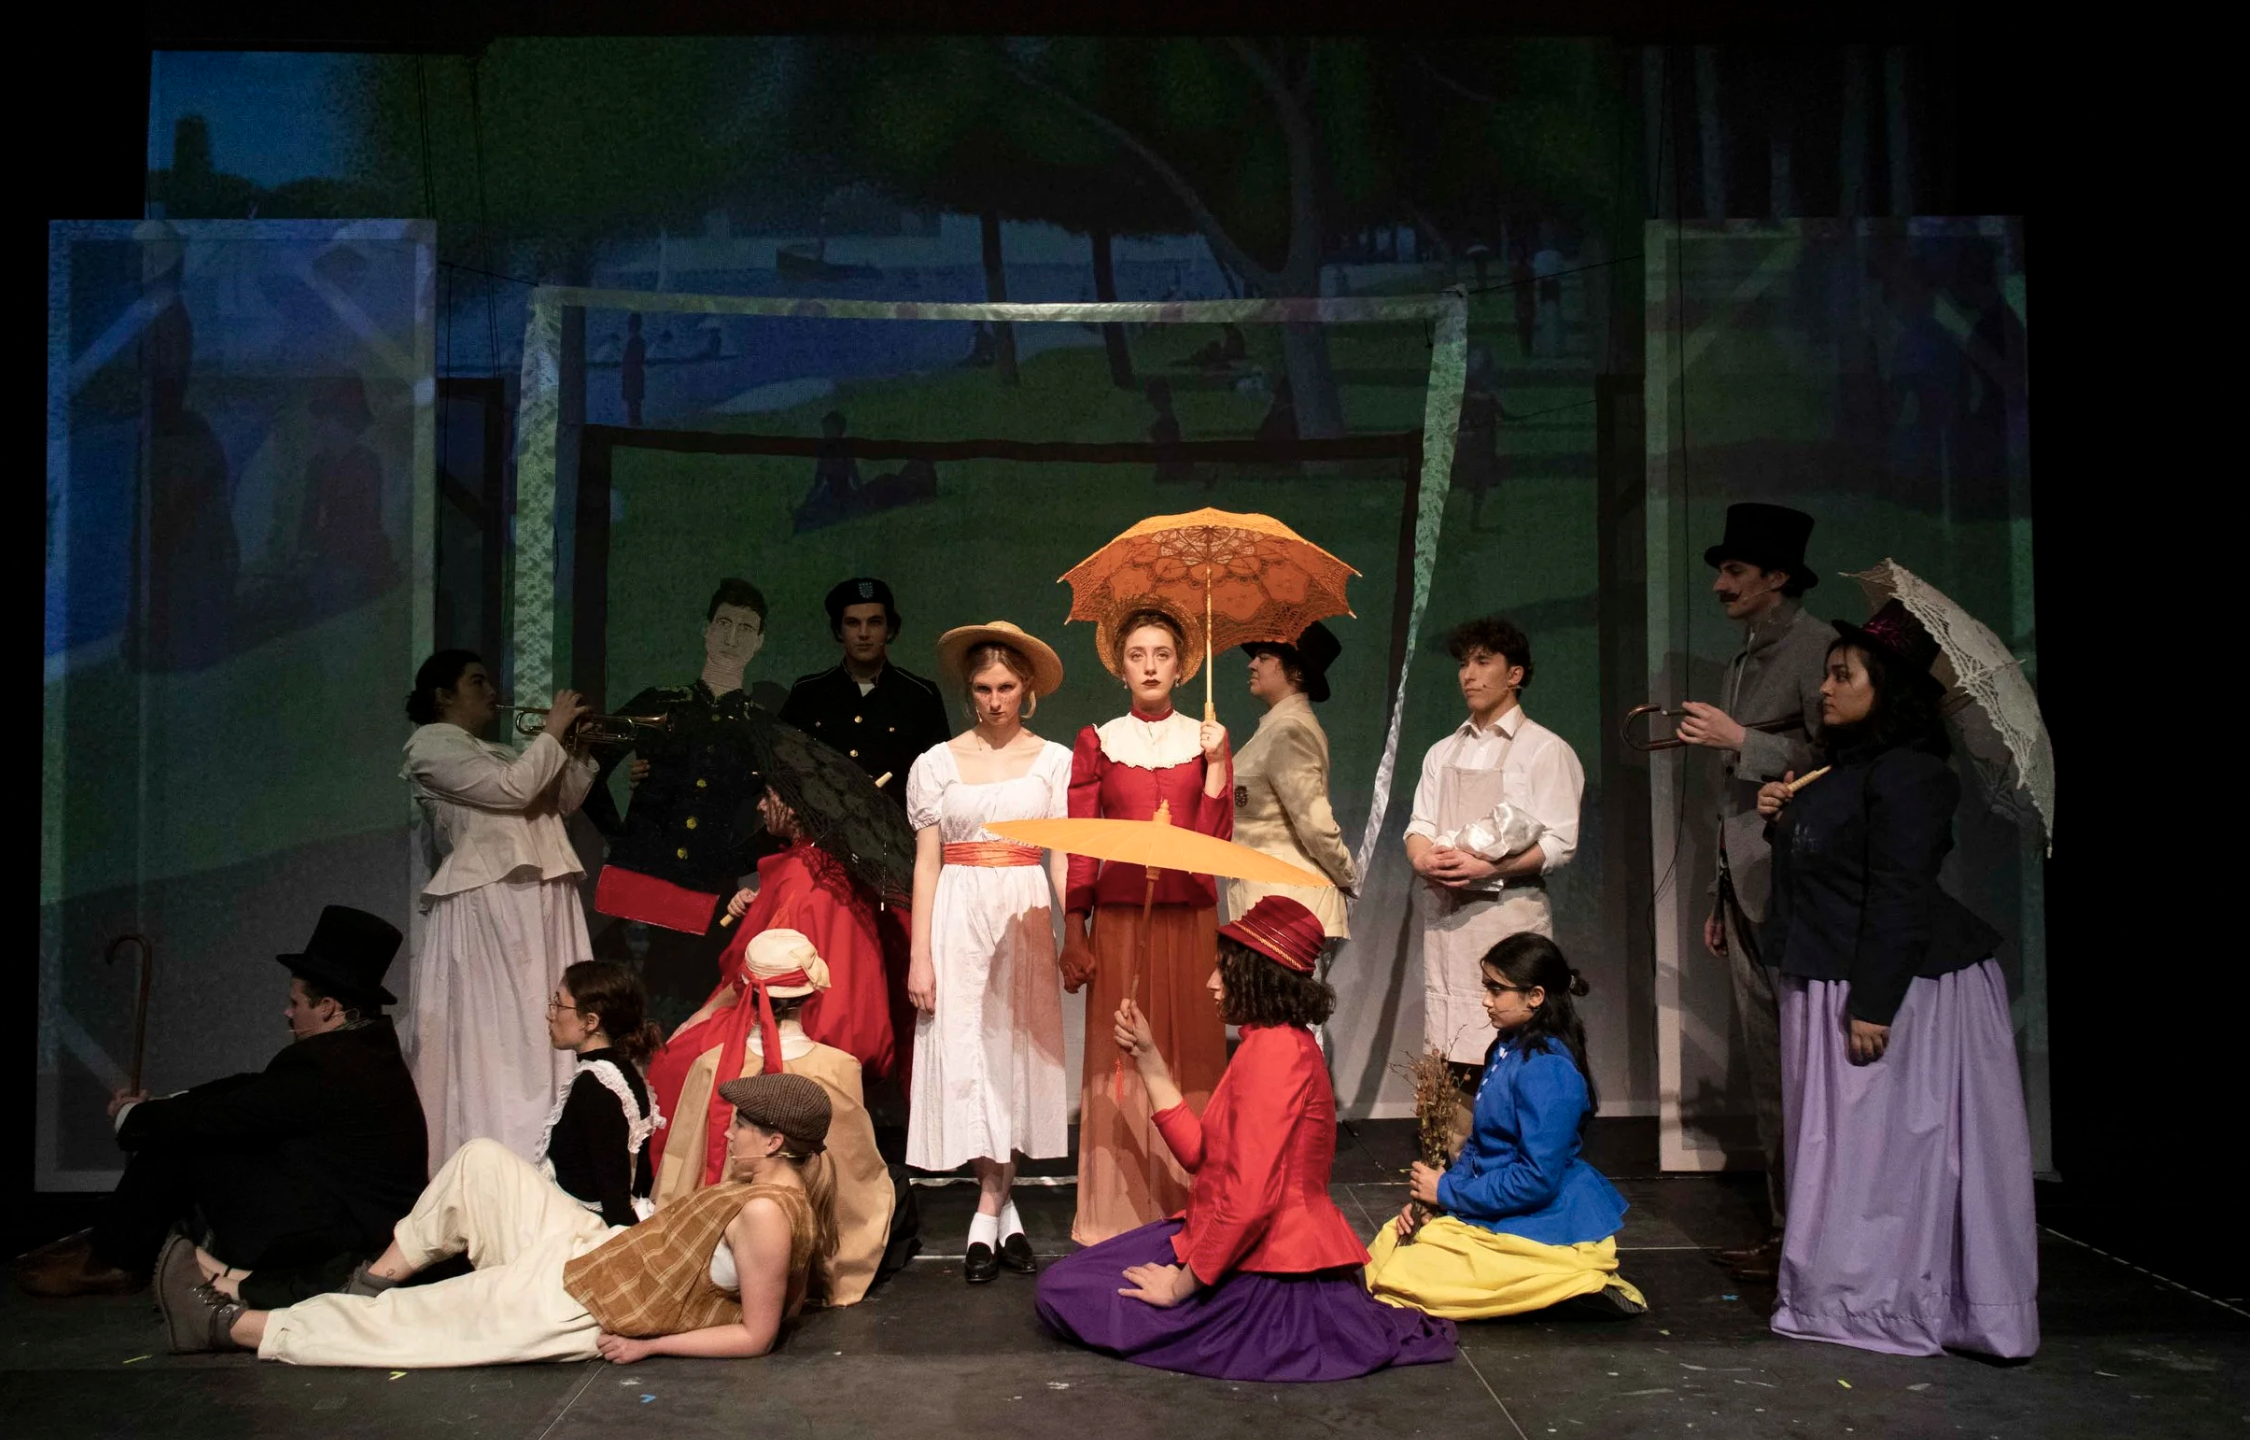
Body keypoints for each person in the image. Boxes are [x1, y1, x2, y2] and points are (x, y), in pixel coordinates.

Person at [1754, 600, 2037, 1359]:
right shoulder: (1839, 769)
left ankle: (1890, 1302)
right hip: (1831, 975)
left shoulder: (1912, 775)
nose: (1824, 687)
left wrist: (1874, 1004)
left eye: (1843, 675)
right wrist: (1780, 814)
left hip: (1895, 988)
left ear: (1890, 690)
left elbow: (1900, 892)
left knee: (1890, 1153)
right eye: (1826, 673)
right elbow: (1830, 866)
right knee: (1846, 1150)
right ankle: (1846, 1296)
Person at [1036, 896, 1456, 1381]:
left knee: (1072, 1293)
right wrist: (1149, 1058)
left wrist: (1180, 1288)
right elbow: (1200, 1155)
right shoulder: (1267, 1042)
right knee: (1072, 1283)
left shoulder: (1276, 1054)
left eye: (1222, 971)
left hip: (1271, 1264)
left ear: (1257, 977)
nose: (1211, 984)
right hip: (1228, 1232)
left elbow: (1251, 1199)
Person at [158, 1073, 839, 1365]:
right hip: (595, 1252)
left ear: (775, 1141)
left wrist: (649, 1346)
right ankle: (371, 1278)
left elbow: (755, 1335)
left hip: (583, 1301)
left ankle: (232, 1324)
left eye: (743, 1126)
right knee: (482, 1162)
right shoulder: (763, 1190)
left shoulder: (765, 1214)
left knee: (415, 1326)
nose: (730, 1133)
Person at [16, 907, 425, 1307]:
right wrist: (163, 1104)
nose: (287, 1012)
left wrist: (134, 1118)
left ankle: (116, 1261)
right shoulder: (364, 1051)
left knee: (184, 1140)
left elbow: (231, 1112)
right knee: (189, 1125)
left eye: (295, 1002)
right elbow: (253, 1090)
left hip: (341, 1244)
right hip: (354, 1223)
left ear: (328, 1007)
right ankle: (115, 1246)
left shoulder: (329, 1065)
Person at [1671, 502, 1833, 1279]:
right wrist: (1716, 892)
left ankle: (1815, 1231)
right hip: (1747, 888)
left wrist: (1745, 741)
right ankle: (1786, 1228)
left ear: (1776, 576)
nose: (1719, 585)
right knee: (1768, 1069)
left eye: (1735, 571)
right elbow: (1727, 800)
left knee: (1808, 1067)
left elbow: (1836, 758)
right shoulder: (1740, 660)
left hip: (1798, 884)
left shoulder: (1820, 648)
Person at [904, 622, 1072, 1282]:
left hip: (1024, 911)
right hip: (957, 910)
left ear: (1026, 689)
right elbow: (925, 865)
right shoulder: (936, 764)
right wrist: (920, 954)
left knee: (1013, 1056)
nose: (994, 699)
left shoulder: (1054, 760)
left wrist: (1077, 929)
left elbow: (1060, 856)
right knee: (966, 1054)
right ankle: (1000, 1210)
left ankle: (989, 1212)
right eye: (982, 688)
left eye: (1006, 686)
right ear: (968, 690)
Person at [1061, 604, 1232, 1245]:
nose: (1151, 665)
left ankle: (1196, 1200)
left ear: (1182, 666)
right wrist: (1074, 927)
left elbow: (1217, 842)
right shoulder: (1098, 741)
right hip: (1122, 919)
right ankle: (1118, 1210)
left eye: (1162, 654)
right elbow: (1081, 844)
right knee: (1121, 1055)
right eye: (1138, 655)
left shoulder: (1209, 736)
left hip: (1189, 920)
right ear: (1120, 667)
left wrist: (1216, 765)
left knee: (1191, 1053)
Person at [1364, 933, 1647, 1320]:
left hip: (1535, 1213)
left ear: (1536, 996)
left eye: (1497, 990)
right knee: (1387, 1245)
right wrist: (1439, 1201)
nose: (1485, 1001)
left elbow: (1535, 1179)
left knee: (1406, 1279)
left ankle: (1572, 1281)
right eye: (1487, 987)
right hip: (1494, 1199)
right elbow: (1482, 1144)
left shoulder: (1548, 1070)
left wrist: (1448, 1192)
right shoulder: (1504, 1048)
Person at [402, 651, 597, 1165]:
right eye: (477, 681)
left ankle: (555, 1157)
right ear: (443, 695)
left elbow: (563, 800)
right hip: (492, 900)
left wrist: (576, 747)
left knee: (546, 1018)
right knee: (503, 1034)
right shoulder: (431, 744)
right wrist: (551, 732)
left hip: (538, 892)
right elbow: (513, 792)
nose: (492, 691)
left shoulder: (496, 748)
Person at [649, 930, 901, 1307]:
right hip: (811, 1240)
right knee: (895, 1187)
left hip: (725, 1235)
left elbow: (683, 1161)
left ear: (746, 988)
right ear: (810, 994)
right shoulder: (837, 1067)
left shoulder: (710, 1065)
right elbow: (853, 1171)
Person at [1403, 617, 1583, 1117]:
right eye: (1464, 663)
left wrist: (1485, 867)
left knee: (1514, 1042)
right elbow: (1418, 823)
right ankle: (1454, 1162)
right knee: (1451, 1043)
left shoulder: (1544, 749)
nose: (1469, 674)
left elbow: (1561, 843)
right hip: (1448, 915)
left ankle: (1512, 1157)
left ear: (1515, 675)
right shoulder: (1443, 751)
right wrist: (1424, 858)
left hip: (1509, 915)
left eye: (1483, 662)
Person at [584, 578, 774, 1031]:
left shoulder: (760, 727)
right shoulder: (660, 702)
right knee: (622, 1010)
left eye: (745, 628)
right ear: (705, 629)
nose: (731, 637)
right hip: (641, 881)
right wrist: (621, 835)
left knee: (690, 1013)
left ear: (759, 642)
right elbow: (589, 769)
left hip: (707, 892)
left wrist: (737, 858)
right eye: (723, 624)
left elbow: (781, 809)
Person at [708, 782, 901, 1081]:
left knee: (686, 1055)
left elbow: (765, 965)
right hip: (849, 1028)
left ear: (794, 807)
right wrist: (761, 903)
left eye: (769, 797)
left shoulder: (807, 870)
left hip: (800, 1024)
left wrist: (705, 1015)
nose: (761, 806)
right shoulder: (825, 862)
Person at [1224, 622, 1357, 939]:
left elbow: (1315, 823)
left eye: (1264, 656)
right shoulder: (1274, 728)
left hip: (1289, 906)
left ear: (1296, 672)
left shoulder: (1290, 730)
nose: (1251, 664)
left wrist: (1347, 875)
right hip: (1267, 901)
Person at [780, 577, 952, 813]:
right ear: (838, 630)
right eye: (852, 623)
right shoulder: (809, 692)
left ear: (889, 629)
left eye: (874, 622)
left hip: (895, 834)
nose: (863, 633)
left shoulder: (920, 696)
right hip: (822, 832)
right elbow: (781, 765)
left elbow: (940, 779)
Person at [534, 961, 665, 1230]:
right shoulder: (624, 1073)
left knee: (477, 1159)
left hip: (574, 1232)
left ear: (590, 1021)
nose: (551, 1014)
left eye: (559, 1004)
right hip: (572, 1219)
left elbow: (615, 1194)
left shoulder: (597, 1086)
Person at [621, 312, 646, 426]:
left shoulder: (633, 343)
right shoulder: (640, 342)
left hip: (631, 381)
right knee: (636, 411)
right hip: (637, 380)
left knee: (633, 412)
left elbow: (629, 364)